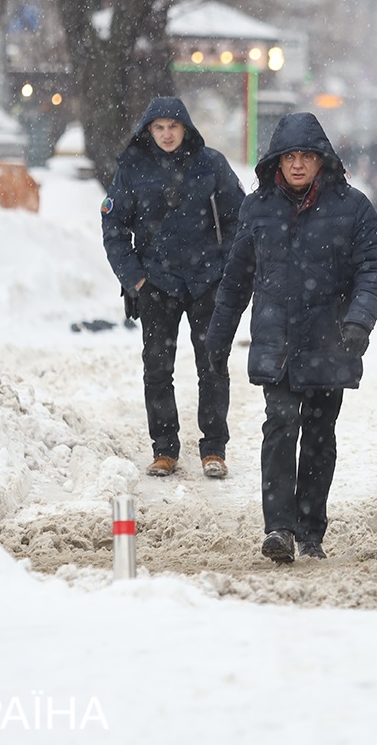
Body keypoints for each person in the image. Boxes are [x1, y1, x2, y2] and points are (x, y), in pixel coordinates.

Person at [205, 112, 377, 563]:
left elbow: (375, 268)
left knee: (319, 435)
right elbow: (236, 279)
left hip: (332, 341)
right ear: (277, 160)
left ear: (321, 160)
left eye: (306, 156)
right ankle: (280, 529)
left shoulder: (352, 207)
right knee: (280, 426)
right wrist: (218, 337)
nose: (297, 165)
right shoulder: (257, 207)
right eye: (290, 156)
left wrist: (358, 321)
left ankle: (311, 530)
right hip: (278, 341)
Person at [101, 96, 246, 478]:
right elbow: (114, 229)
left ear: (186, 129)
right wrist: (135, 278)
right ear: (148, 131)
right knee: (157, 369)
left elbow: (239, 219)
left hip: (206, 283)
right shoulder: (132, 169)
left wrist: (225, 268)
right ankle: (164, 449)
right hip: (156, 285)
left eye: (174, 126)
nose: (167, 135)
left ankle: (214, 449)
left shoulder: (211, 164)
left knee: (213, 366)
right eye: (159, 127)